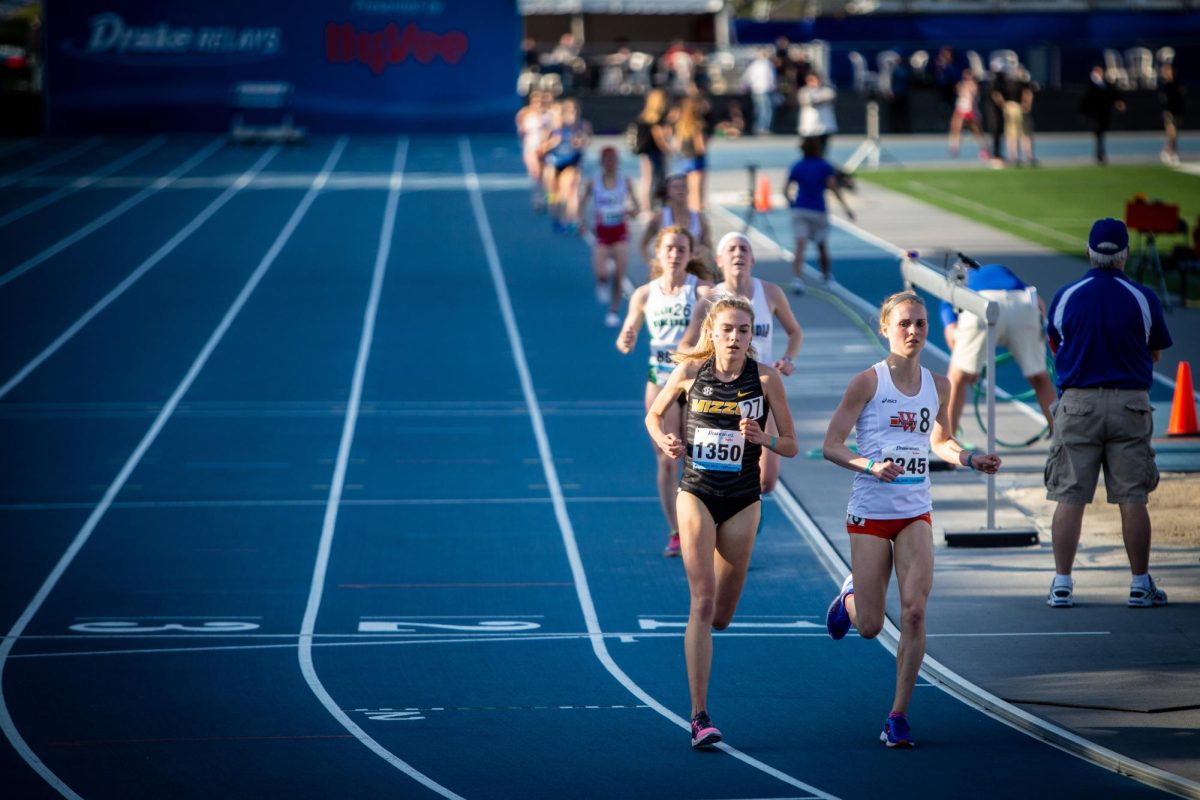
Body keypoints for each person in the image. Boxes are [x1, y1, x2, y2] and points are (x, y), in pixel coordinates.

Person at [822, 291, 1001, 748]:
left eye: (920, 324)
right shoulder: (866, 383)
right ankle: (848, 600)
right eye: (904, 323)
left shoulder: (939, 385)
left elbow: (941, 441)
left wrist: (969, 457)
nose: (914, 331)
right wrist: (869, 464)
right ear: (885, 328)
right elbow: (832, 445)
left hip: (914, 511)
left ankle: (897, 716)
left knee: (915, 612)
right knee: (870, 627)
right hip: (869, 510)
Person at [645, 293, 798, 748]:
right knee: (703, 601)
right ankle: (699, 716)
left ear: (753, 336)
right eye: (727, 329)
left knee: (724, 616)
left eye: (743, 330)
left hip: (743, 499)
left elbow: (790, 444)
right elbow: (653, 415)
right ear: (712, 331)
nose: (734, 337)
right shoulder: (691, 373)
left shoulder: (766, 379)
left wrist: (763, 437)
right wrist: (667, 440)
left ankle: (707, 628)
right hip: (697, 493)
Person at [1043, 218, 1172, 609]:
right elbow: (1155, 352)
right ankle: (1138, 583)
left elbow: (1055, 346)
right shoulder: (1142, 296)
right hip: (1129, 402)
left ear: (1089, 251)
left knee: (1070, 495)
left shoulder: (1068, 295)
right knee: (1132, 496)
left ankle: (1062, 583)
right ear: (1125, 254)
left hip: (1078, 402)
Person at [617, 226, 716, 557]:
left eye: (681, 249)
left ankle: (714, 521)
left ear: (690, 255)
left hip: (696, 382)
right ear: (658, 254)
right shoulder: (645, 294)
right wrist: (627, 337)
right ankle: (676, 530)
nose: (675, 254)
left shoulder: (702, 291)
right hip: (659, 379)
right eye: (669, 248)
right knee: (665, 458)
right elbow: (628, 328)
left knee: (699, 456)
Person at [701, 233, 804, 494]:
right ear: (720, 260)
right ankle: (733, 517)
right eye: (732, 249)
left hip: (761, 387)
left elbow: (795, 332)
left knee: (767, 480)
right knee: (722, 467)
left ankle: (745, 515)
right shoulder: (711, 297)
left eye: (744, 249)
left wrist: (788, 359)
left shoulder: (770, 292)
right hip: (723, 387)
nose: (738, 254)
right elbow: (693, 341)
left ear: (753, 259)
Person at [940, 260, 1056, 437]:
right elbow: (1039, 303)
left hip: (982, 302)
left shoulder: (959, 282)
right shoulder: (1003, 271)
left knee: (957, 377)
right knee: (1040, 378)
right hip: (1023, 303)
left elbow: (951, 332)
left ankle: (947, 441)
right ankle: (1064, 439)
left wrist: (970, 366)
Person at [784, 136, 855, 295]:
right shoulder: (824, 166)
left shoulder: (797, 166)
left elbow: (785, 189)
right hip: (818, 210)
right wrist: (846, 208)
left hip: (800, 209)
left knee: (800, 246)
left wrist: (792, 204)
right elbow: (833, 188)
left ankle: (797, 280)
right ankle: (826, 277)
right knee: (821, 245)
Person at [580, 146, 639, 327]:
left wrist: (631, 211)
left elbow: (637, 207)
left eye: (613, 160)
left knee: (620, 275)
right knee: (602, 273)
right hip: (602, 234)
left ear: (617, 162)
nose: (610, 164)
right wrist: (582, 222)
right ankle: (601, 282)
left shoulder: (626, 182)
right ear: (602, 163)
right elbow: (581, 204)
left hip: (620, 232)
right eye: (607, 160)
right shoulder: (594, 183)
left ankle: (613, 310)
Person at [638, 173, 712, 269]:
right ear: (668, 192)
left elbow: (708, 247)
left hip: (693, 271)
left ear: (688, 190)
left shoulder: (699, 218)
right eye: (675, 187)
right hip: (668, 272)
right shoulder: (659, 217)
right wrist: (654, 264)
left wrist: (701, 253)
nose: (680, 190)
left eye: (683, 186)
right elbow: (643, 245)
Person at [541, 98, 592, 233]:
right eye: (568, 111)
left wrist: (580, 142)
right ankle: (555, 218)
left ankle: (571, 219)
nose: (572, 114)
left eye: (575, 111)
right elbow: (542, 149)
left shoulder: (583, 126)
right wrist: (553, 142)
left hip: (572, 163)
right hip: (554, 163)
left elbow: (587, 142)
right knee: (553, 195)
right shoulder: (554, 128)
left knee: (570, 190)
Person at [632, 89, 672, 213]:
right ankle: (647, 206)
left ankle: (648, 204)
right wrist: (668, 150)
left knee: (649, 179)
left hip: (647, 152)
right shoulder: (654, 119)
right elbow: (659, 138)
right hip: (651, 152)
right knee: (650, 179)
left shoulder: (645, 116)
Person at [1080, 65, 1125, 165]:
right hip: (1094, 115)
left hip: (1104, 114)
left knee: (1101, 134)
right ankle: (1100, 154)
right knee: (1098, 134)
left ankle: (1100, 154)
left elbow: (1114, 95)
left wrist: (1118, 102)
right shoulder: (1091, 86)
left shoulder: (1106, 85)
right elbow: (1085, 101)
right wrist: (1084, 113)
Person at [516, 89, 550, 212]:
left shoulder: (546, 115)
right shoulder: (524, 114)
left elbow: (550, 132)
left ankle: (547, 197)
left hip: (543, 148)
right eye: (535, 101)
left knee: (544, 174)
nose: (537, 104)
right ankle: (537, 198)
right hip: (530, 148)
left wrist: (545, 145)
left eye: (539, 101)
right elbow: (520, 129)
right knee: (535, 173)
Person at [673, 95, 708, 212]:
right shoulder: (698, 125)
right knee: (697, 190)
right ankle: (697, 213)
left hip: (684, 159)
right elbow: (700, 147)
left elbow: (676, 145)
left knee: (689, 190)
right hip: (696, 160)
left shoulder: (680, 125)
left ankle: (690, 210)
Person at [948, 69, 990, 160]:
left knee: (977, 132)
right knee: (955, 128)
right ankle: (954, 147)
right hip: (961, 109)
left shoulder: (974, 86)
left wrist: (972, 111)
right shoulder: (962, 85)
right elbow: (959, 92)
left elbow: (973, 97)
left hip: (971, 111)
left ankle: (985, 149)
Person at [796, 72, 838, 153]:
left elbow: (829, 97)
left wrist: (818, 98)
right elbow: (805, 101)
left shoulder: (827, 90)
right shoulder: (803, 91)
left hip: (824, 127)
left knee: (822, 149)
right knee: (808, 150)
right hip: (808, 127)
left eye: (814, 80)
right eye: (810, 80)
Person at [741, 48, 778, 136]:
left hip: (756, 90)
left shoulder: (753, 65)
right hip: (764, 90)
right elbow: (771, 78)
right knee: (766, 110)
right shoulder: (767, 64)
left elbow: (746, 78)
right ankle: (763, 128)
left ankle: (758, 127)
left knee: (759, 109)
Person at [1158, 62, 1185, 166]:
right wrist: (1166, 111)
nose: (1167, 72)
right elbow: (1163, 101)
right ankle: (1167, 151)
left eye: (1169, 70)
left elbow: (1180, 98)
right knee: (1171, 133)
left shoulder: (1177, 84)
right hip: (1169, 113)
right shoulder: (1164, 85)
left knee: (1174, 135)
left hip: (1177, 112)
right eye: (1165, 70)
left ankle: (1171, 152)